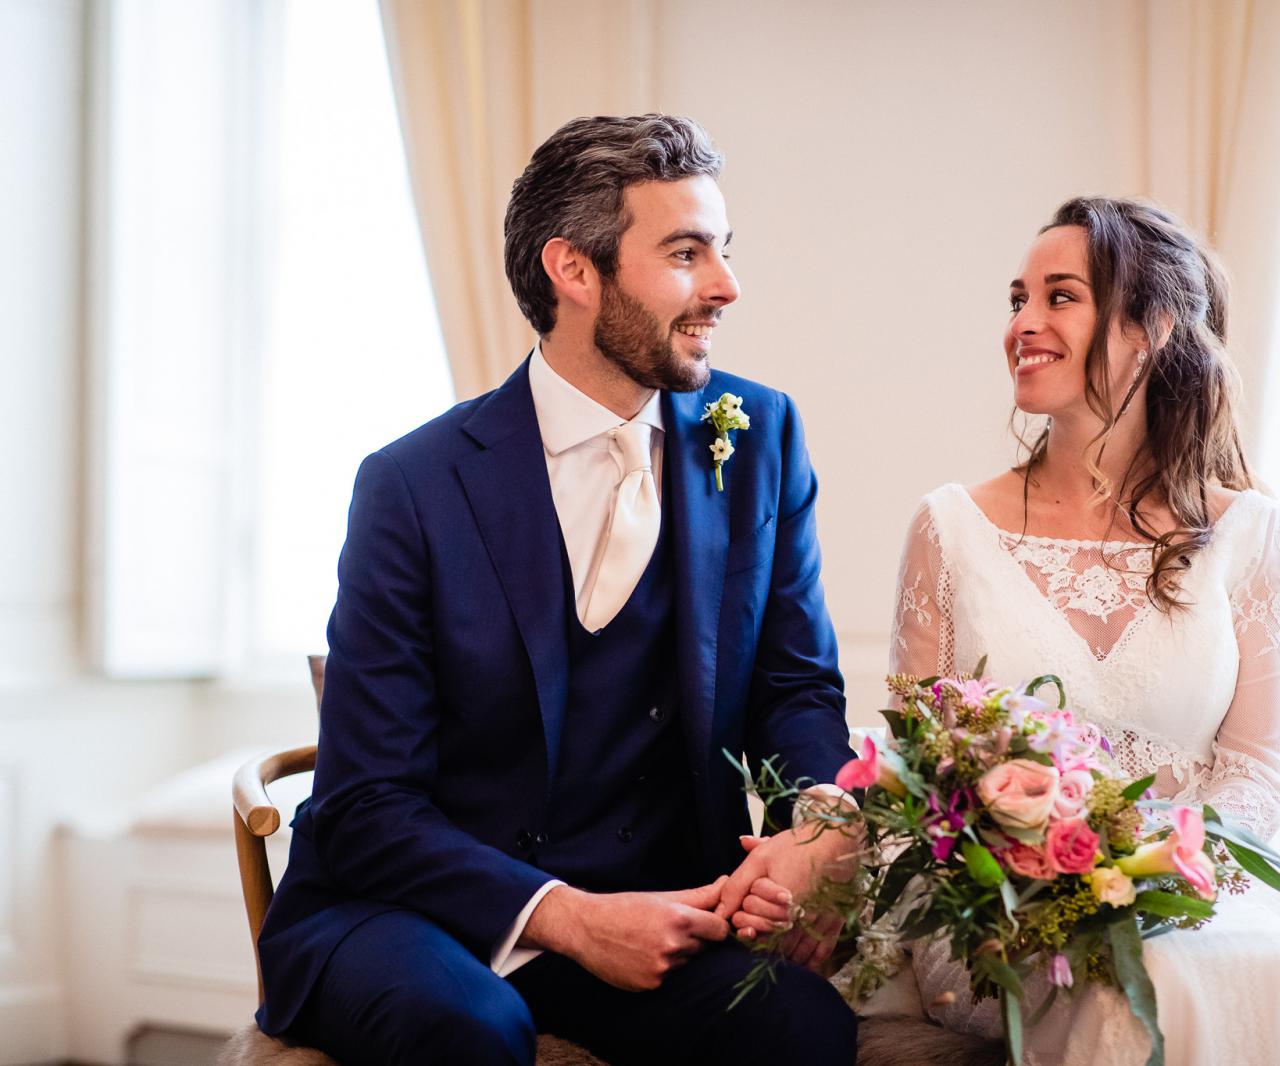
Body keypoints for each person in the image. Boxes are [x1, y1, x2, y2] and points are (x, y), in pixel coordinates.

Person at [254, 114, 859, 1066]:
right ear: (575, 271)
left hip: (657, 899)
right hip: (416, 911)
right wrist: (567, 918)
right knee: (467, 1033)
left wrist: (820, 821)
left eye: (723, 251)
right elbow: (369, 802)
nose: (726, 287)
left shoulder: (759, 438)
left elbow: (796, 688)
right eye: (687, 252)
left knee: (801, 1028)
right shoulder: (413, 486)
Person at [886, 197, 1280, 1064]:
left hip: (1198, 896)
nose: (1024, 324)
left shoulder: (1248, 534)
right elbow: (928, 770)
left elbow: (1254, 773)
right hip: (1008, 917)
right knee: (1140, 988)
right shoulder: (950, 527)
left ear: (1150, 326)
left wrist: (1165, 881)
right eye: (1017, 299)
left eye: (1060, 296)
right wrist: (1053, 880)